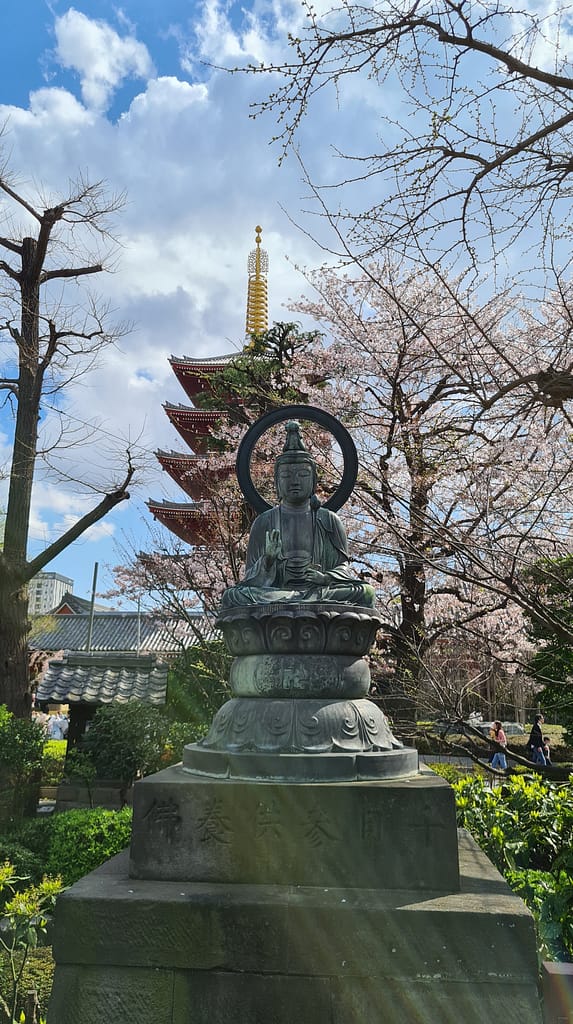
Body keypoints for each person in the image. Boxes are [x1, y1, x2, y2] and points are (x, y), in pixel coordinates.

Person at [220, 420, 376, 609]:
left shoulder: (328, 520)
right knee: (235, 596)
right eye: (286, 476)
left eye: (302, 475)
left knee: (365, 593)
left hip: (319, 592)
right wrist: (268, 560)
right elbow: (250, 578)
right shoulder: (264, 522)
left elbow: (343, 566)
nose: (294, 481)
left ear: (313, 480)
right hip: (275, 593)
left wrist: (326, 577)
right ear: (277, 482)